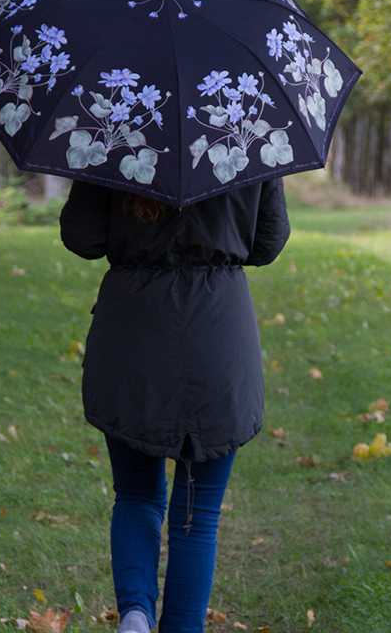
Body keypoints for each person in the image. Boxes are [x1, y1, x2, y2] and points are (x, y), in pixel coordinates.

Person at [59, 177, 291, 633]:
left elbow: (82, 237)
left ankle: (135, 615)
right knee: (197, 512)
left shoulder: (118, 126)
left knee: (136, 494)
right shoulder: (249, 129)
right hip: (218, 331)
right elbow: (267, 243)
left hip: (133, 331)